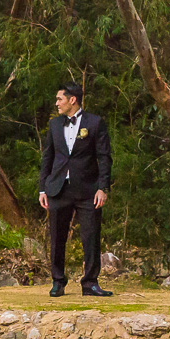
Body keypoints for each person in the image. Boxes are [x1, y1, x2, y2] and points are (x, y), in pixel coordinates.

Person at [38, 82, 113, 297]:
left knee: (90, 237)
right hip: (58, 189)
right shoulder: (54, 125)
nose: (56, 103)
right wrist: (42, 188)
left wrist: (103, 187)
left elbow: (104, 157)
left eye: (59, 99)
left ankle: (90, 283)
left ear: (73, 100)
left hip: (87, 189)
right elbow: (48, 157)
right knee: (57, 237)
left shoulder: (95, 122)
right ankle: (58, 281)